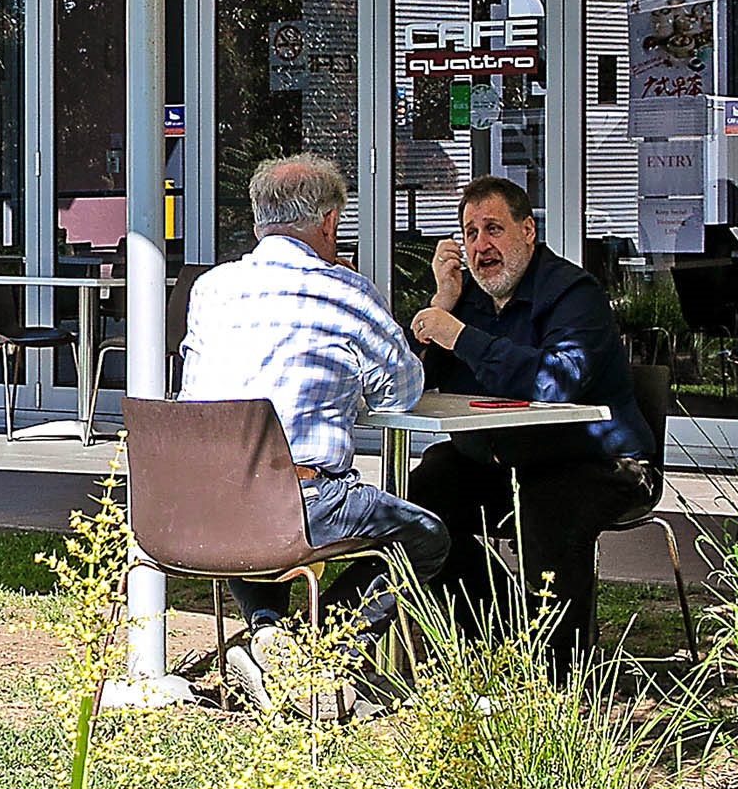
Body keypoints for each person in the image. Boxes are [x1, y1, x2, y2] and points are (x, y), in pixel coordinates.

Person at [177, 154, 450, 698]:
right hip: (299, 502)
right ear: (329, 222)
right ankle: (322, 651)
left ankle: (269, 634)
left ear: (258, 221)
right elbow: (401, 392)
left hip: (199, 501)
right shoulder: (346, 292)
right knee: (426, 537)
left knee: (244, 489)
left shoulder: (210, 288)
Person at [401, 178, 662, 664]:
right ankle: (500, 637)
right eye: (470, 233)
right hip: (503, 463)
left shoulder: (573, 293)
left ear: (528, 231)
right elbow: (404, 383)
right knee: (420, 498)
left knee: (547, 508)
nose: (481, 245)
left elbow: (555, 383)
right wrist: (441, 302)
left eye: (493, 229)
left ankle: (558, 680)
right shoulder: (466, 299)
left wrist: (460, 336)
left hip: (599, 463)